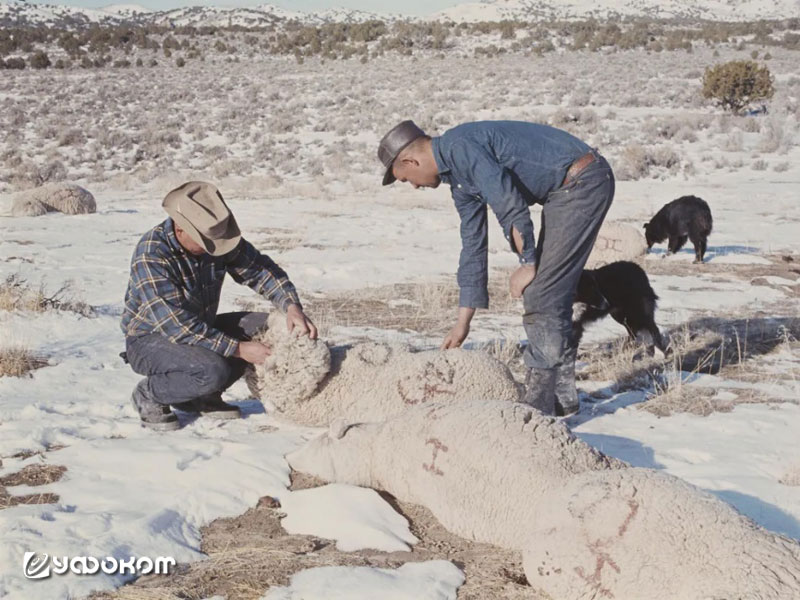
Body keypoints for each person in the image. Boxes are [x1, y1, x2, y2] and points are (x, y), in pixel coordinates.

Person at [377, 120, 614, 416]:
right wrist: (463, 321)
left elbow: (507, 202)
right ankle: (563, 398)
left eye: (406, 178)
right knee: (551, 287)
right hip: (564, 191)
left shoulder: (459, 146)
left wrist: (527, 262)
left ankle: (537, 409)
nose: (413, 185)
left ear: (410, 160)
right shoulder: (459, 178)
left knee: (541, 291)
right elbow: (473, 245)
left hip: (583, 181)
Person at [121, 181, 316, 430]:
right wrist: (238, 349)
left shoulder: (213, 242)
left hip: (200, 327)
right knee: (213, 369)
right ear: (180, 229)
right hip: (150, 340)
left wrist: (290, 306)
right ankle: (150, 394)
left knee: (268, 328)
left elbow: (261, 271)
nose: (214, 248)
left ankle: (201, 396)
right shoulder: (152, 255)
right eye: (206, 242)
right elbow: (176, 326)